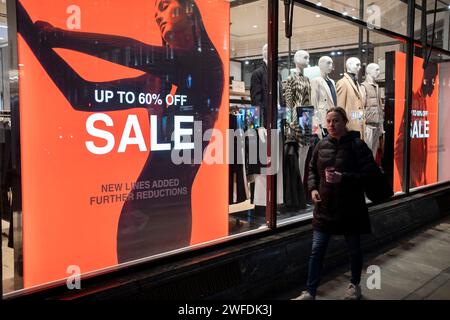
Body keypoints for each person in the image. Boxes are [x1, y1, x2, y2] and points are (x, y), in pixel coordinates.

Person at [17, 0, 224, 263]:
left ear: (190, 10)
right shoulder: (159, 81)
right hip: (139, 215)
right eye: (156, 11)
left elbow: (133, 51)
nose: (157, 15)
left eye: (164, 5)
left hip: (172, 212)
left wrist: (57, 36)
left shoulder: (206, 64)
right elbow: (83, 97)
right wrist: (30, 35)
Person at [297, 107, 380, 300]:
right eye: (328, 121)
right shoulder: (321, 145)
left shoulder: (358, 145)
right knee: (317, 250)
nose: (331, 125)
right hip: (325, 208)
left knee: (354, 249)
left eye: (335, 121)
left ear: (344, 122)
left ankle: (355, 285)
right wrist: (313, 189)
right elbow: (312, 170)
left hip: (350, 208)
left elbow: (369, 176)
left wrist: (344, 177)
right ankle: (310, 291)